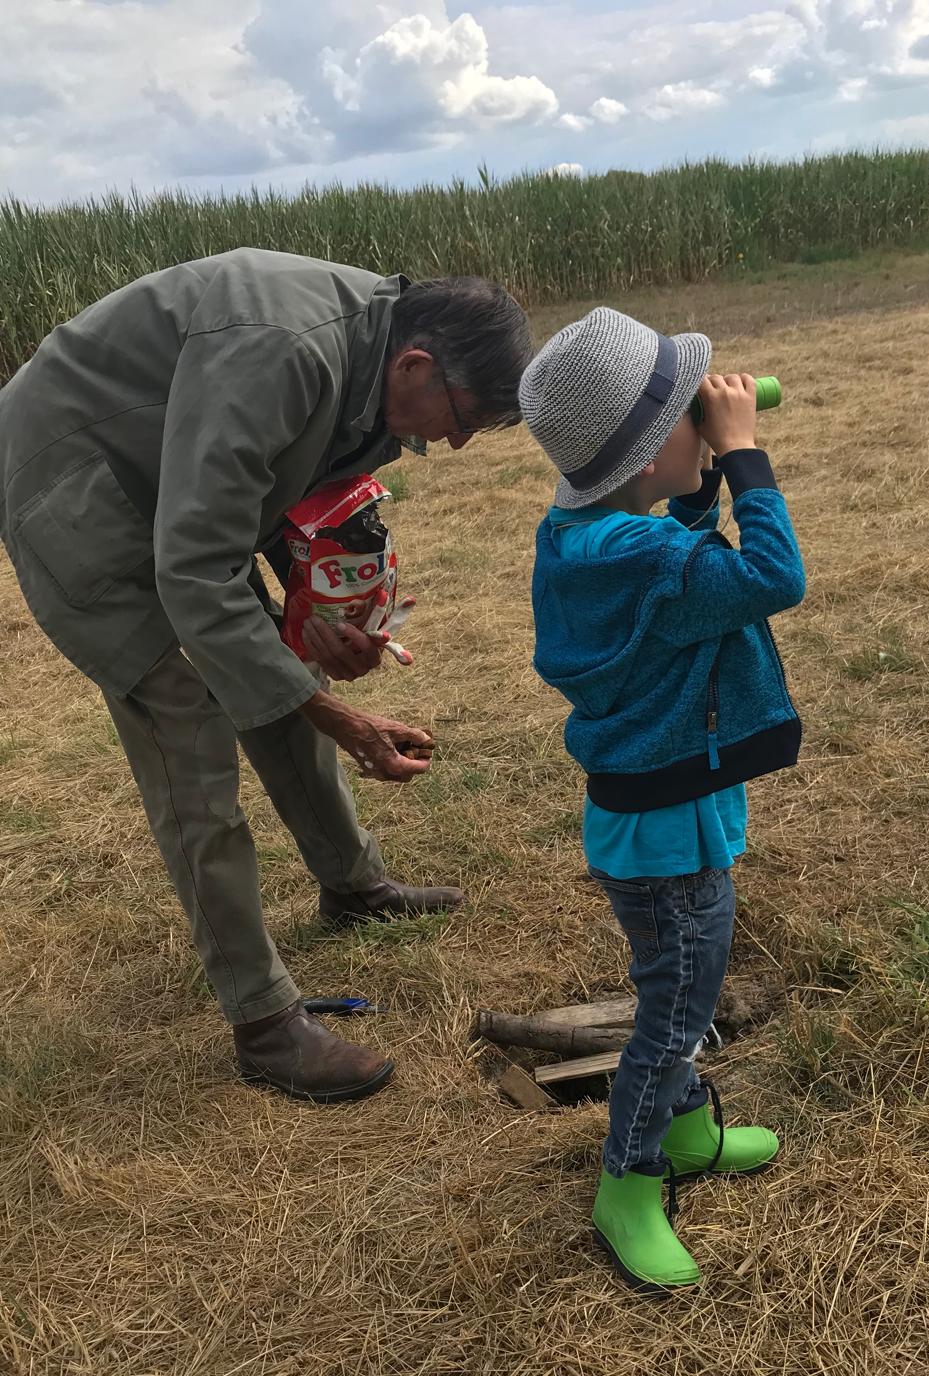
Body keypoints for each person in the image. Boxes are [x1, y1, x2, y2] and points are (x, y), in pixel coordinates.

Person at [0, 249, 533, 1102]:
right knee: (187, 715)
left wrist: (315, 619)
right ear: (419, 366)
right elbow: (194, 573)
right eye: (465, 418)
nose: (459, 442)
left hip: (172, 496)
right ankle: (262, 1021)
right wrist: (340, 718)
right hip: (78, 484)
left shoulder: (375, 359)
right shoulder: (285, 347)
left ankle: (353, 886)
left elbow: (281, 496)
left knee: (267, 666)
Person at [520, 308, 806, 1292]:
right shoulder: (647, 559)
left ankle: (687, 1136)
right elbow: (771, 575)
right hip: (667, 840)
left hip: (649, 810)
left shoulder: (585, 539)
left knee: (677, 992)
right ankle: (628, 1186)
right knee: (674, 1015)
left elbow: (680, 572)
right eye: (695, 413)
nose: (711, 420)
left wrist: (704, 472)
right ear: (651, 458)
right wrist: (748, 456)